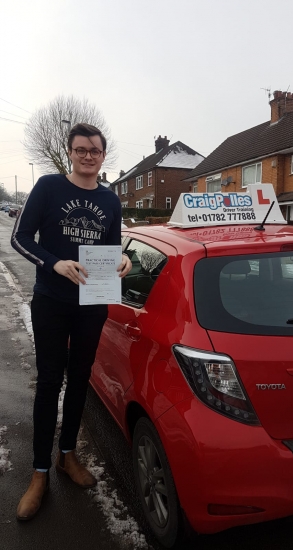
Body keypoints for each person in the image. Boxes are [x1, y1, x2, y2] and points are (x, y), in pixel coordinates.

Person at [11, 122, 132, 521]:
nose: (88, 156)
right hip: (51, 301)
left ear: (102, 155)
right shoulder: (48, 187)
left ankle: (67, 456)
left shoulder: (110, 201)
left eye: (95, 151)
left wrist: (124, 261)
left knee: (80, 379)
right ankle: (39, 472)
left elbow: (113, 249)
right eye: (81, 149)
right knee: (49, 382)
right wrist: (54, 262)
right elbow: (20, 238)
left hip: (92, 304)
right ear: (70, 152)